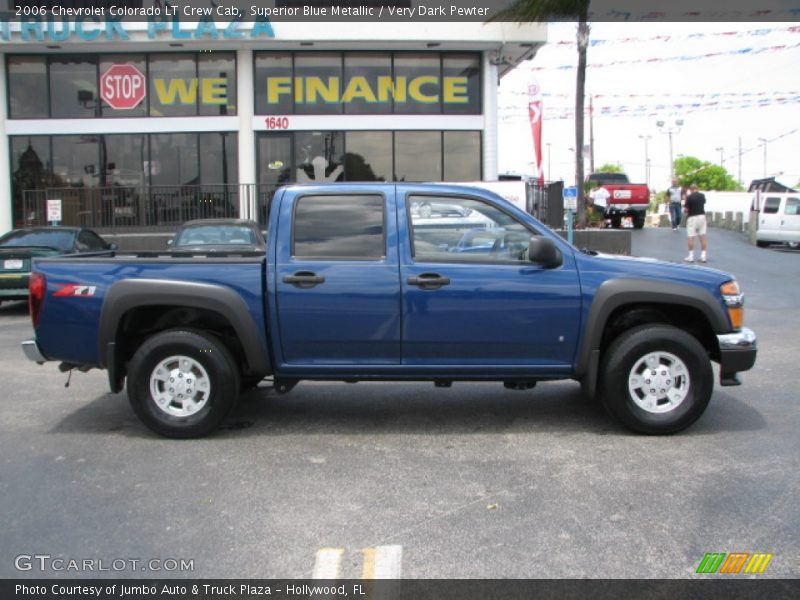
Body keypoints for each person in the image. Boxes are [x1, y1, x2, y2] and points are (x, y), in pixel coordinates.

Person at [684, 184, 708, 263]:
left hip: (692, 217)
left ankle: (691, 256)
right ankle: (703, 256)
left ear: (690, 189)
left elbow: (686, 210)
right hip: (702, 216)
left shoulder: (689, 197)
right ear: (697, 188)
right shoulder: (702, 195)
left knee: (691, 236)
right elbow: (704, 203)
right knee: (702, 236)